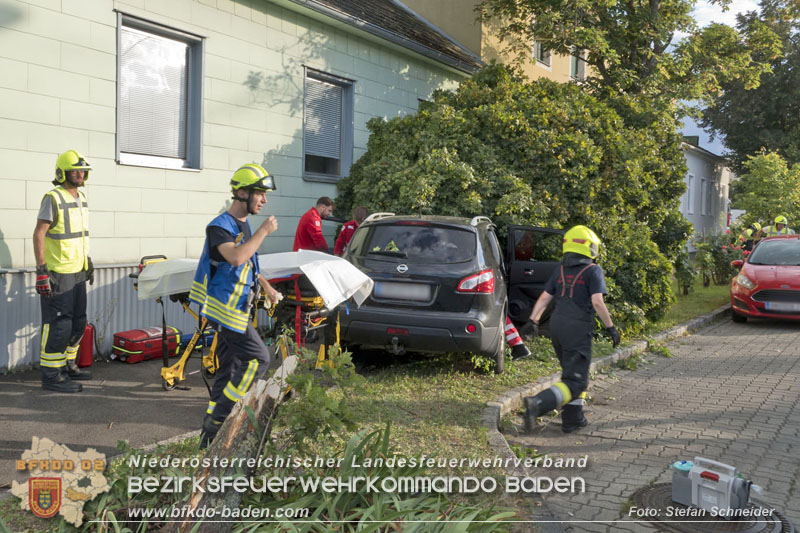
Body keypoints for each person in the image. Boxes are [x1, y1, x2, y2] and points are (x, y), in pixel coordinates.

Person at [189, 163, 282, 449]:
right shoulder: (219, 227)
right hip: (225, 309)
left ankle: (207, 440)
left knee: (228, 369)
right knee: (258, 359)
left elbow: (249, 261)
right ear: (243, 193)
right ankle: (220, 419)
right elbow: (236, 257)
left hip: (237, 307)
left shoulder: (243, 224)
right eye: (260, 194)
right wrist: (264, 231)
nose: (264, 200)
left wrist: (267, 286)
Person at [520, 225, 619, 434]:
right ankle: (538, 403)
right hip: (577, 329)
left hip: (557, 328)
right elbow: (597, 302)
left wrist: (533, 321)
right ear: (590, 248)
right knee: (576, 381)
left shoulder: (560, 270)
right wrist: (611, 327)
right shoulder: (593, 271)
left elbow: (545, 298)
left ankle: (572, 419)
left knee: (573, 374)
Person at [33, 150, 95, 393]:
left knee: (78, 322)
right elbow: (39, 234)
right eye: (74, 170)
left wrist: (87, 261)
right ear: (62, 173)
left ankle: (68, 366)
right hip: (58, 273)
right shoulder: (53, 198)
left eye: (83, 171)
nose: (79, 174)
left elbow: (78, 235)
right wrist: (41, 271)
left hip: (78, 270)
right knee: (59, 325)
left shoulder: (82, 197)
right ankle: (51, 376)